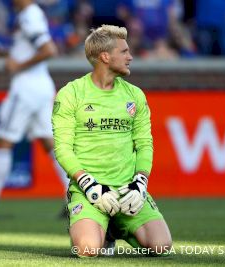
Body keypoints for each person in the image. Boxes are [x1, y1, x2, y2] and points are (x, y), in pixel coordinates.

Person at [52, 25, 172, 257]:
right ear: (105, 57)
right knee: (87, 249)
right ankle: (97, 228)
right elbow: (63, 149)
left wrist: (140, 183)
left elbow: (145, 144)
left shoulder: (135, 95)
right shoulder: (70, 94)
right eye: (125, 52)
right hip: (89, 189)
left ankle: (116, 224)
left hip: (128, 189)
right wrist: (89, 185)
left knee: (161, 246)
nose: (131, 57)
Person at [0, 0, 69, 218]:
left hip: (26, 89)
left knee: (3, 141)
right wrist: (2, 53)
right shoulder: (29, 15)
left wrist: (18, 66)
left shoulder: (29, 15)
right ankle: (75, 198)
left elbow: (48, 50)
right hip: (41, 87)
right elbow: (28, 50)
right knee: (51, 145)